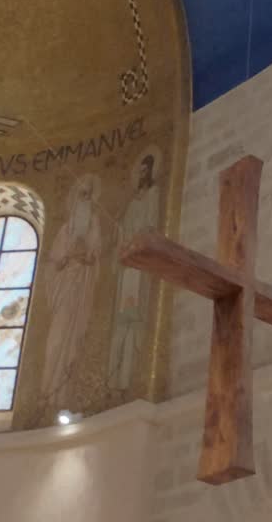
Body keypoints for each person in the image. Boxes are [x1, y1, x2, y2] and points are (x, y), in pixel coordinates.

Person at [40, 174, 103, 406]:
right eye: (81, 195)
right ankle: (47, 390)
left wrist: (86, 255)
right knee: (56, 338)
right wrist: (65, 259)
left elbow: (95, 256)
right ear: (74, 200)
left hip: (81, 289)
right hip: (64, 287)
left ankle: (63, 394)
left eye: (88, 195)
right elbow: (53, 263)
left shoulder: (94, 225)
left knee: (74, 339)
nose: (84, 200)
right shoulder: (64, 231)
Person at [107, 154, 161, 392]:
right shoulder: (132, 201)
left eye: (144, 171)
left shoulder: (153, 194)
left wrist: (136, 240)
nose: (140, 175)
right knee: (122, 321)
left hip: (140, 263)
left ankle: (127, 380)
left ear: (150, 172)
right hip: (128, 266)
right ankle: (115, 379)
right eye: (138, 171)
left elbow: (151, 226)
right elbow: (124, 229)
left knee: (133, 320)